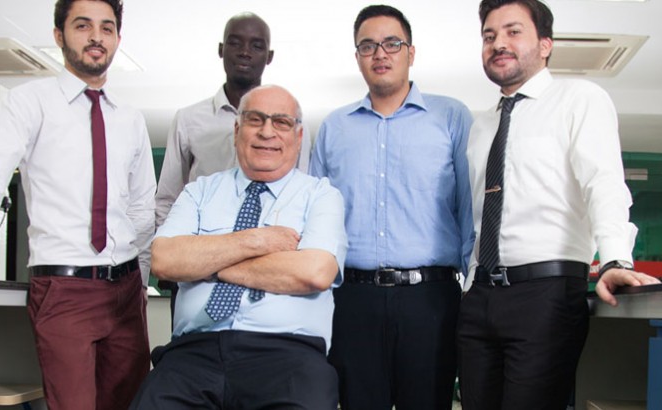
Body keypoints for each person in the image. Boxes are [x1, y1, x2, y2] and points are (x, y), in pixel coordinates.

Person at [0, 0, 156, 408]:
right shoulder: (27, 103)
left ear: (117, 39)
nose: (96, 37)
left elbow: (143, 209)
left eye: (107, 28)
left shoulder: (131, 119)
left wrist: (141, 283)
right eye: (83, 25)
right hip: (64, 288)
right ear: (59, 35)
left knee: (129, 404)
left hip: (127, 290)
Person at [457, 1, 662, 409]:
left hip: (546, 294)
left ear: (546, 44)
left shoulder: (579, 98)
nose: (498, 43)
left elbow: (603, 183)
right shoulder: (482, 125)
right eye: (489, 36)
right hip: (479, 295)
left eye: (513, 31)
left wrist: (615, 259)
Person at [130, 84, 347, 409]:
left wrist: (206, 260)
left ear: (298, 137)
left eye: (281, 122)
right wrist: (260, 240)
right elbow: (164, 259)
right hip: (193, 355)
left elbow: (315, 272)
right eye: (255, 120)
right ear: (236, 130)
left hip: (289, 356)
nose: (267, 132)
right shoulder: (198, 192)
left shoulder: (321, 195)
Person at [308, 4, 475, 409]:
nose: (380, 54)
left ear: (410, 53)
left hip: (431, 299)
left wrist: (472, 294)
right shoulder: (334, 127)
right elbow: (316, 222)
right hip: (352, 301)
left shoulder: (451, 117)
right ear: (357, 57)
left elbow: (469, 212)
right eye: (368, 46)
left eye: (392, 43)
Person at [153, 12, 310, 318]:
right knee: (191, 355)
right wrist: (174, 265)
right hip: (197, 270)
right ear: (221, 49)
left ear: (269, 56)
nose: (245, 52)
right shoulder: (188, 120)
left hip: (268, 268)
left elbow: (300, 193)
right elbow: (167, 199)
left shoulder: (289, 123)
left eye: (256, 45)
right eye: (235, 43)